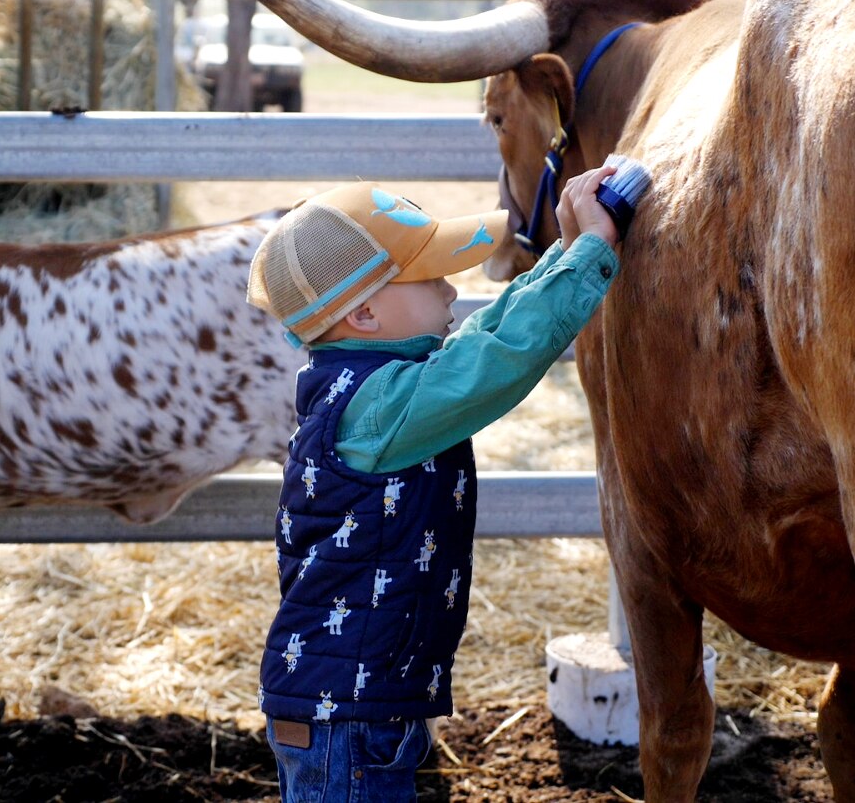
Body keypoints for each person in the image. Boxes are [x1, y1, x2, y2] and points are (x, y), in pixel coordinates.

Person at [245, 164, 628, 802]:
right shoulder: (376, 408)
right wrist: (590, 255)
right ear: (365, 313)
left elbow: (482, 336)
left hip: (358, 708)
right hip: (346, 721)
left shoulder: (369, 388)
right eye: (430, 276)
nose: (452, 290)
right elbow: (495, 361)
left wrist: (566, 253)